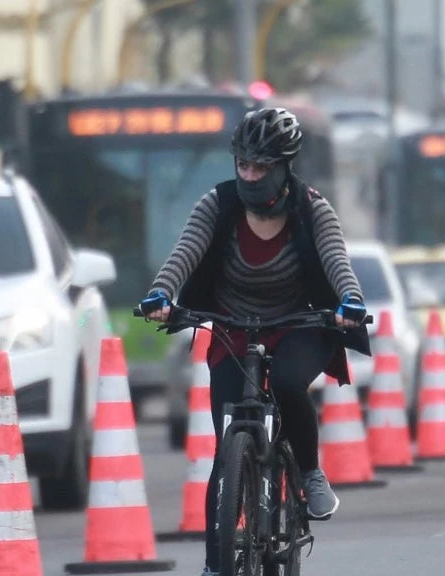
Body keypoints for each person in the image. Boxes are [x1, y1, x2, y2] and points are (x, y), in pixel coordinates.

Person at [136, 107, 371, 576]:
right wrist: (163, 292)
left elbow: (335, 259)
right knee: (227, 451)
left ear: (285, 167)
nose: (250, 175)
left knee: (286, 385)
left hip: (295, 325)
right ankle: (212, 564)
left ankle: (308, 472)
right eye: (243, 165)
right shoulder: (217, 205)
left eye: (261, 167)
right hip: (230, 326)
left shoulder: (311, 209)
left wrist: (350, 300)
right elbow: (186, 251)